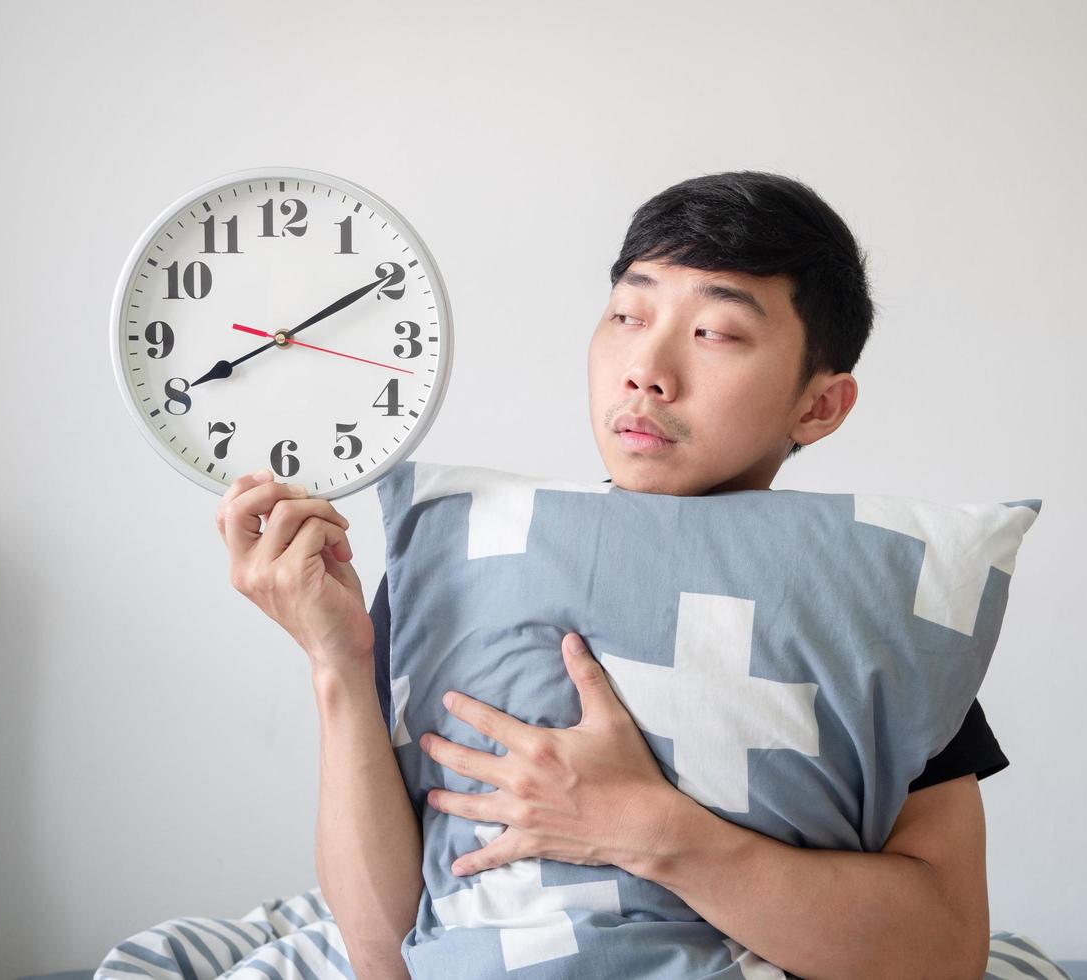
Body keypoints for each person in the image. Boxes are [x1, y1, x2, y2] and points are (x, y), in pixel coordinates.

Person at [216, 170, 1005, 979]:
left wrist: (647, 829)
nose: (646, 369)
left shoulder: (863, 604)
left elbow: (942, 955)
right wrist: (338, 662)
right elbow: (387, 958)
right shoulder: (463, 570)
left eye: (717, 333)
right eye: (628, 315)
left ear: (820, 406)